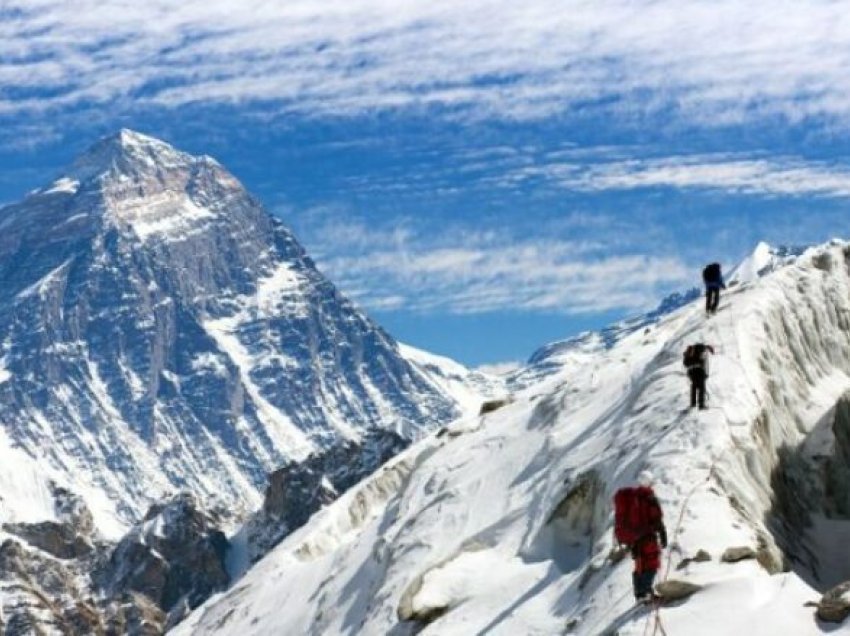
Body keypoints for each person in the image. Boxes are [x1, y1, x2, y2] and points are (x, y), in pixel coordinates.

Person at [613, 471, 668, 604]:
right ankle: (647, 593)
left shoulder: (632, 497)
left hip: (634, 538)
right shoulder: (648, 497)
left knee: (640, 564)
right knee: (651, 563)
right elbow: (656, 518)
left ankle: (639, 594)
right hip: (647, 536)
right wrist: (662, 533)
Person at [683, 343, 715, 410]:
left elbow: (685, 364)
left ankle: (693, 404)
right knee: (701, 388)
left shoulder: (691, 352)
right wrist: (705, 374)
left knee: (694, 386)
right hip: (699, 371)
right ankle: (701, 405)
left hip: (691, 372)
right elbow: (703, 363)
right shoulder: (703, 350)